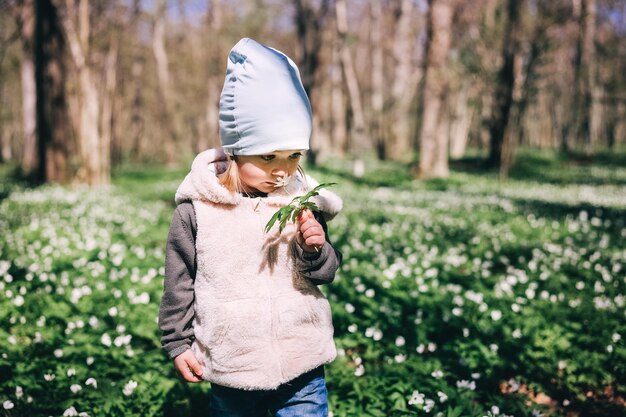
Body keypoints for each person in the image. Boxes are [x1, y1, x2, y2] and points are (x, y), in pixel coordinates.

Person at [158, 37, 343, 417]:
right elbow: (179, 281)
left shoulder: (301, 201)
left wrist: (316, 249)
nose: (282, 170)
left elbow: (326, 272)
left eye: (294, 156)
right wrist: (177, 343)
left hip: (303, 365)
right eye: (268, 156)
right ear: (235, 150)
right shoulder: (198, 212)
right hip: (233, 368)